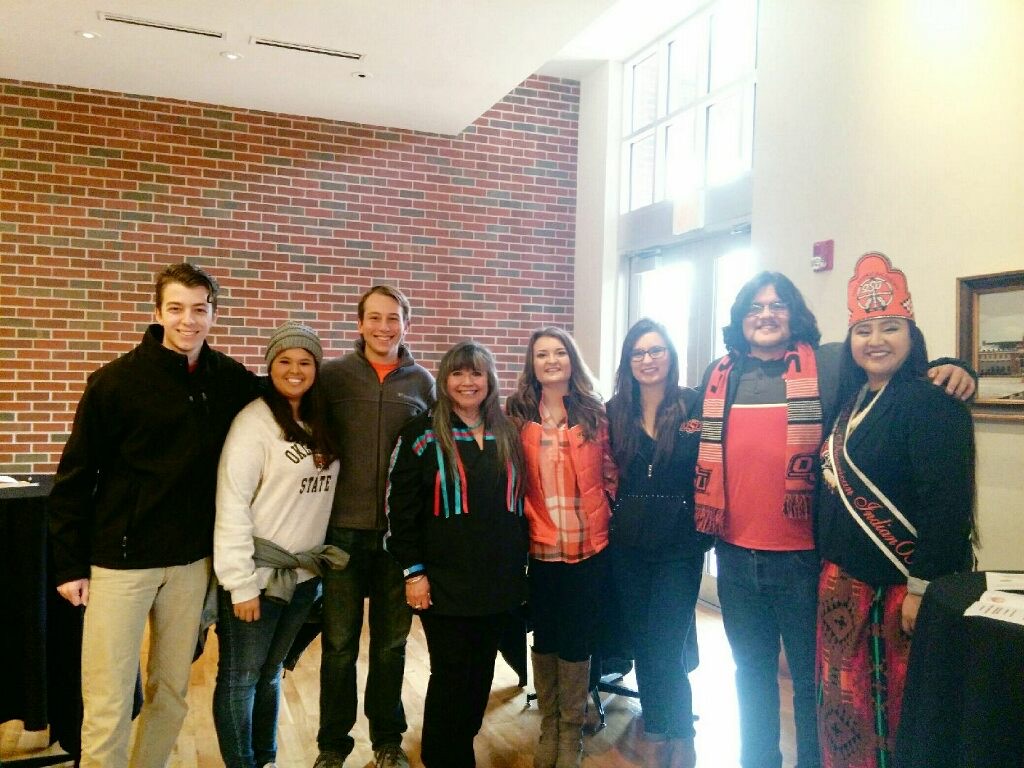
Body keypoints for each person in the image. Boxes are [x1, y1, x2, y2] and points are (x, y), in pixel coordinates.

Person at [693, 270, 975, 768]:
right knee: (750, 675)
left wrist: (952, 367)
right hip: (735, 559)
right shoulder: (718, 376)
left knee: (812, 685)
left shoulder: (824, 367)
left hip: (803, 562)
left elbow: (889, 367)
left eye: (778, 305)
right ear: (740, 319)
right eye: (755, 307)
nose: (766, 314)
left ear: (794, 314)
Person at [48, 262, 259, 768]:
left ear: (213, 314)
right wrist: (70, 565)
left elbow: (289, 400)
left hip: (189, 564)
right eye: (177, 309)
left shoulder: (228, 381)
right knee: (108, 698)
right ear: (157, 312)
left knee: (172, 692)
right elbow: (74, 479)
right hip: (120, 563)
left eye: (200, 310)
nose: (189, 321)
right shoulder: (114, 384)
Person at [816, 253, 975, 768]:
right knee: (845, 714)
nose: (875, 340)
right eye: (864, 330)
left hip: (900, 591)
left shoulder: (931, 401)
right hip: (843, 589)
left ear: (912, 337)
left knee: (899, 716)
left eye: (890, 328)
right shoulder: (852, 398)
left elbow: (946, 504)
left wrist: (924, 586)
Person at [385, 341, 528, 768]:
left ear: (490, 380)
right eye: (458, 374)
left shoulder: (509, 431)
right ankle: (444, 756)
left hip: (498, 579)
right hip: (443, 579)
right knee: (451, 673)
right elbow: (399, 510)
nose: (468, 382)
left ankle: (456, 746)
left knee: (481, 672)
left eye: (476, 373)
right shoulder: (421, 433)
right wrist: (414, 572)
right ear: (444, 381)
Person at [213, 322, 345, 768]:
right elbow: (231, 503)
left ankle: (265, 758)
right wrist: (240, 583)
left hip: (305, 575)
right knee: (240, 678)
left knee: (270, 674)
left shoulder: (320, 421)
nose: (295, 370)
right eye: (284, 361)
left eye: (305, 362)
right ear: (270, 367)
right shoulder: (253, 423)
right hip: (260, 575)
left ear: (316, 369)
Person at [316, 285, 435, 768]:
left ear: (406, 324)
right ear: (359, 323)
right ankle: (332, 745)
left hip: (397, 538)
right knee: (340, 645)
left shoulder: (423, 383)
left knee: (390, 645)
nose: (384, 327)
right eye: (375, 318)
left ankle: (387, 740)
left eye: (394, 319)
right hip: (341, 530)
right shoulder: (333, 377)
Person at [506, 326, 617, 768]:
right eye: (541, 355)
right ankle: (549, 724)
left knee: (577, 637)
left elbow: (610, 470)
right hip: (540, 544)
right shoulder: (518, 413)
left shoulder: (593, 411)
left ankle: (571, 729)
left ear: (572, 358)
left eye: (558, 353)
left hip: (589, 543)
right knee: (546, 635)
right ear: (531, 364)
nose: (551, 361)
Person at [606, 318, 711, 768]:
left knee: (669, 637)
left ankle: (681, 728)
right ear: (628, 362)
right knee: (643, 636)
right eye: (638, 353)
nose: (648, 360)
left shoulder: (695, 406)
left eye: (656, 351)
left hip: (680, 544)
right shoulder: (613, 412)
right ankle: (657, 720)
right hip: (627, 544)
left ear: (670, 355)